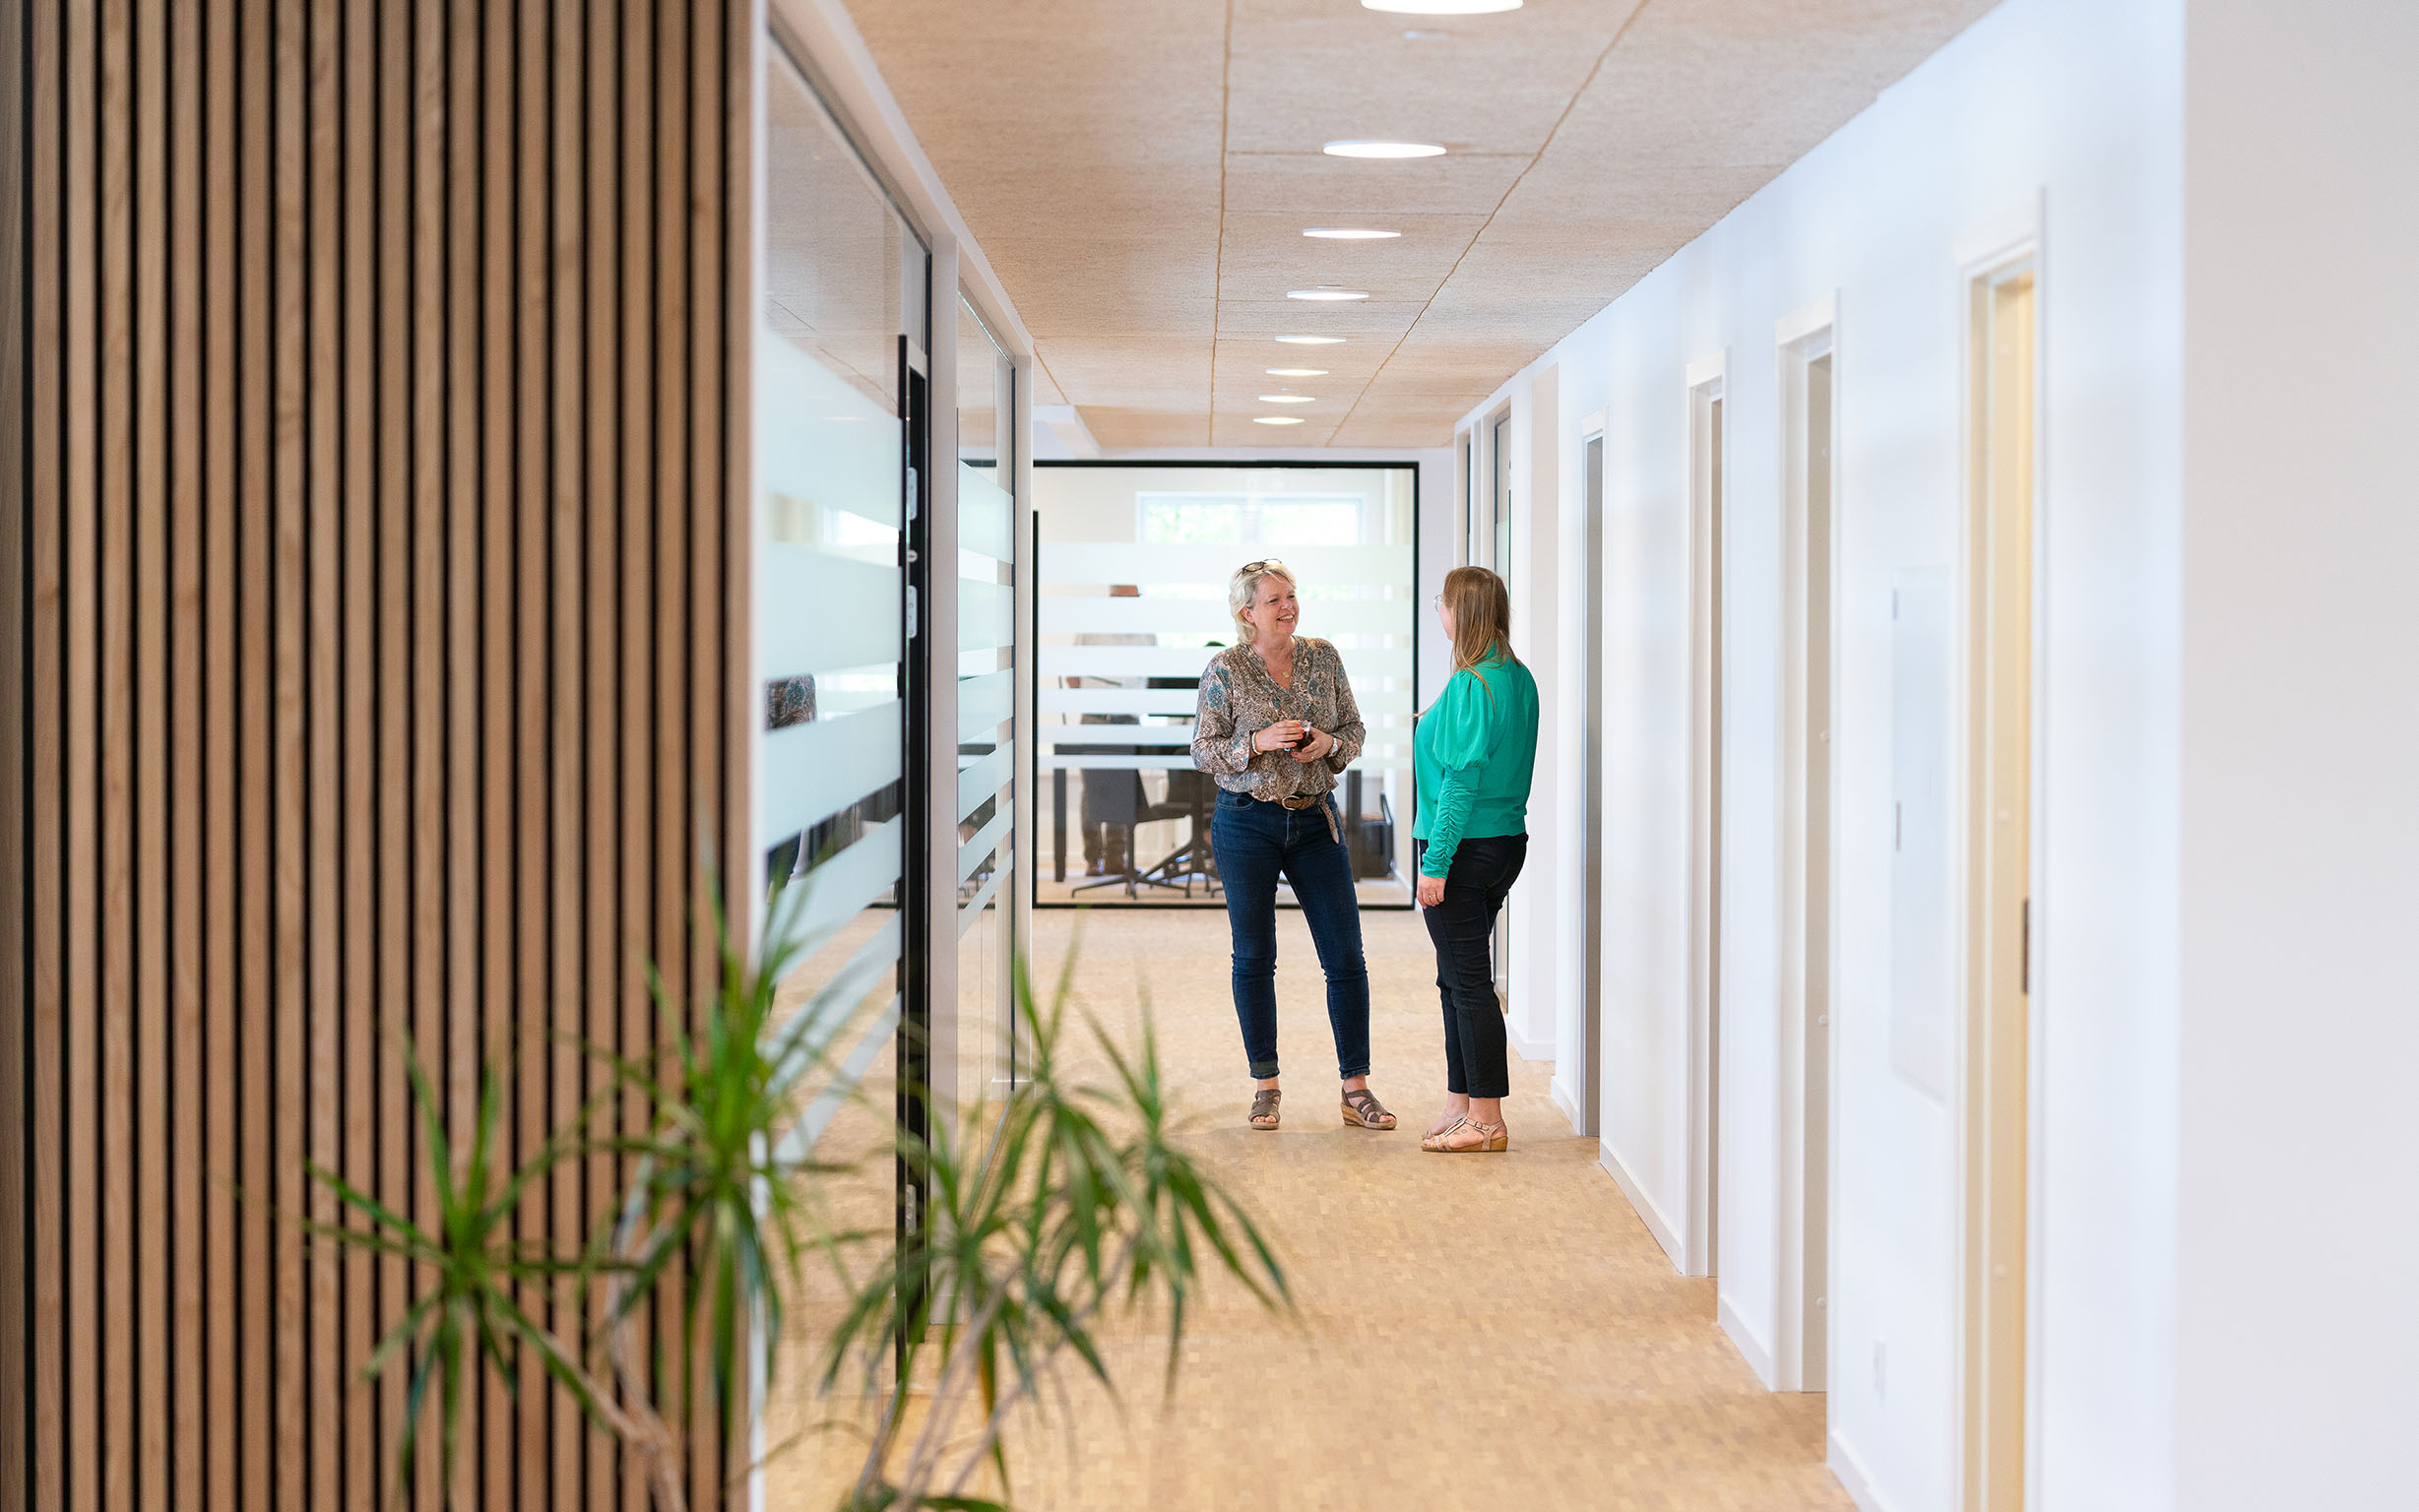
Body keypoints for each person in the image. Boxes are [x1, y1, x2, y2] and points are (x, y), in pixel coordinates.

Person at [1191, 559, 1394, 1132]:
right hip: (1246, 823)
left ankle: (1355, 1088)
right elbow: (1203, 750)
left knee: (1345, 956)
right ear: (1247, 613)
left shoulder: (1323, 656)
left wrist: (1329, 743)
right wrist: (1255, 742)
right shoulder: (1225, 669)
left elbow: (1354, 729)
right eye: (1275, 600)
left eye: (1292, 596)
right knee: (1255, 956)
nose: (1288, 607)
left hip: (1314, 823)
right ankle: (1266, 1085)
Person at [1413, 566, 1538, 1154]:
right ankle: (1460, 1103)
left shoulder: (1472, 685)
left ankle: (1487, 1119)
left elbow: (1460, 786)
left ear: (1460, 612)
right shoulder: (1516, 676)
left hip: (1462, 849)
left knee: (1469, 985)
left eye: (1442, 602)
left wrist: (1436, 863)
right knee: (1456, 978)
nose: (1438, 610)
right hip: (1504, 844)